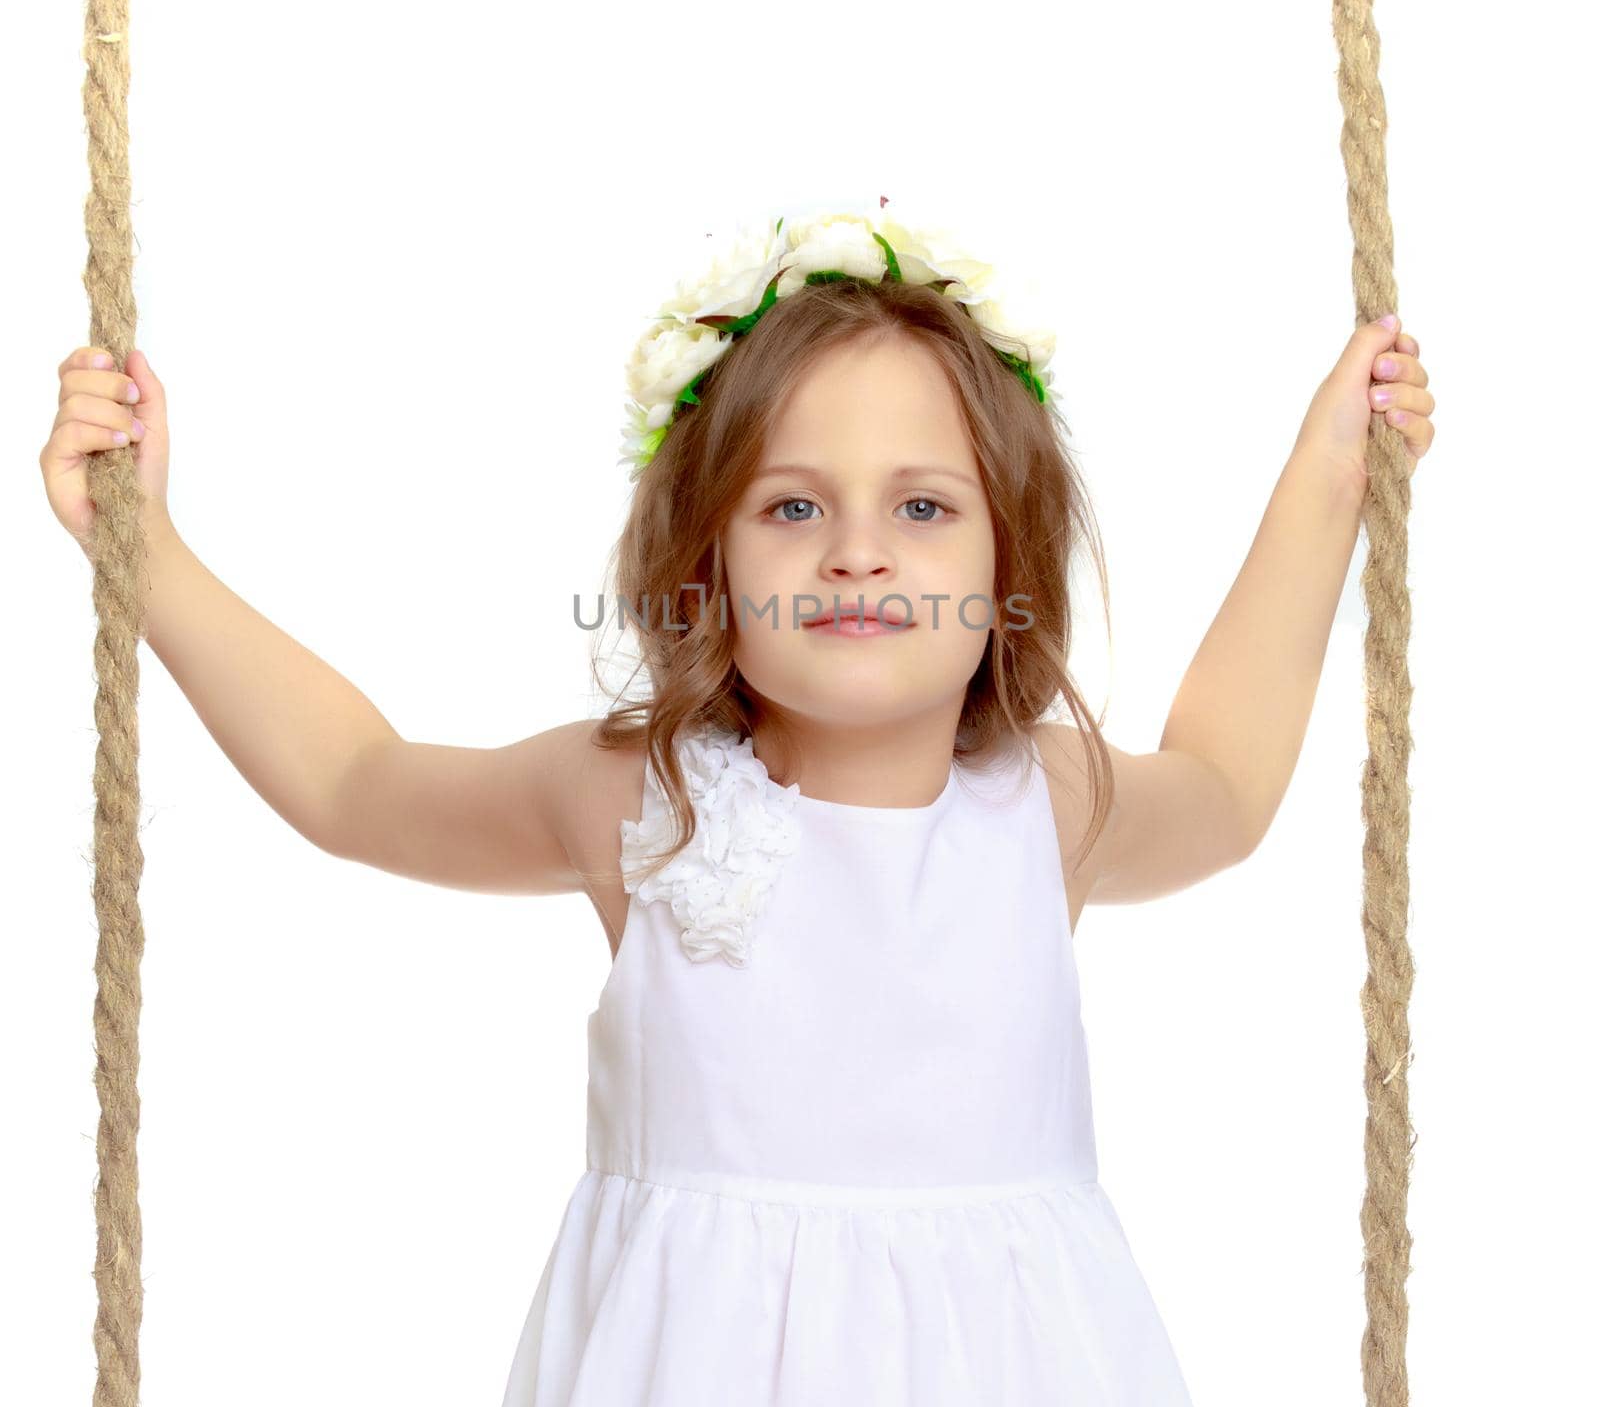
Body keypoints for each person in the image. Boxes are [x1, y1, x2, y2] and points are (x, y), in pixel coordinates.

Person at [41, 205, 1436, 1404]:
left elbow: (1231, 784)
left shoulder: (1040, 808)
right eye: (790, 508)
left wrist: (1331, 478)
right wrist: (144, 555)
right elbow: (357, 783)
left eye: (926, 507)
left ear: (1012, 560)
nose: (858, 554)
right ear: (702, 556)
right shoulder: (640, 803)